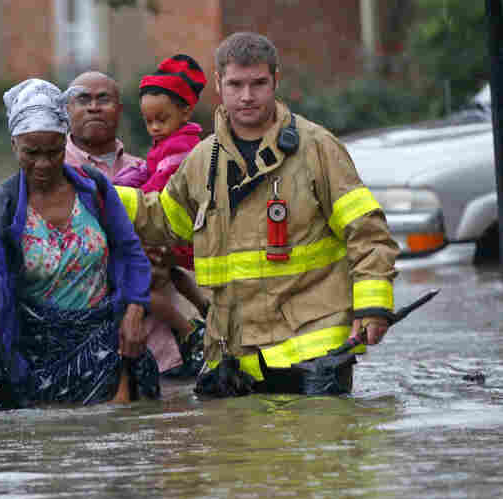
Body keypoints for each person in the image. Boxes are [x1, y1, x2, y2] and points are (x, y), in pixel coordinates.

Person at [115, 32, 400, 395]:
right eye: (235, 84)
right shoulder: (203, 160)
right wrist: (100, 194)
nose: (246, 96)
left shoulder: (317, 149)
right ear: (218, 84)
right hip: (235, 356)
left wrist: (373, 306)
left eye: (258, 84)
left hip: (315, 354)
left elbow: (368, 232)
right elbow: (166, 222)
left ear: (275, 81)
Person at [0, 78, 160, 408]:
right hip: (34, 363)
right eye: (31, 153)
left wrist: (136, 309)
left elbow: (129, 252)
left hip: (105, 351)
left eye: (53, 151)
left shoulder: (93, 189)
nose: (43, 163)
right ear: (14, 146)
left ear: (64, 142)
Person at [64, 71, 208, 376]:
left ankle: (195, 327)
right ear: (66, 110)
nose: (93, 107)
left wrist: (168, 250)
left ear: (120, 110)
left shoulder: (146, 167)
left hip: (162, 351)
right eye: (83, 99)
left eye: (103, 99)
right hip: (85, 350)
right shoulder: (51, 171)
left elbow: (194, 231)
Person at [135, 54, 211, 374]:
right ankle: (206, 309)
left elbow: (161, 187)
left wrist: (130, 195)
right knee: (174, 274)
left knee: (144, 290)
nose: (154, 127)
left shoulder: (182, 146)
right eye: (148, 121)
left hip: (177, 230)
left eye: (160, 119)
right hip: (177, 232)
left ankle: (187, 331)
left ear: (185, 111)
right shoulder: (168, 141)